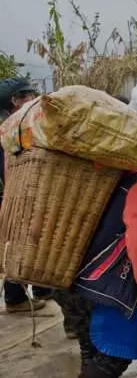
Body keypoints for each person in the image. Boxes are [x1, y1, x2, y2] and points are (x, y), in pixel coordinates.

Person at [52, 130, 137, 378]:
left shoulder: (106, 168)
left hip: (63, 272)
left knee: (91, 348)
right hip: (99, 285)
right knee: (116, 353)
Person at [0, 78, 54, 313]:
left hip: (10, 194)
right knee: (21, 242)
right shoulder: (11, 127)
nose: (33, 101)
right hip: (13, 195)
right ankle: (15, 297)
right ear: (15, 100)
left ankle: (38, 289)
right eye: (29, 96)